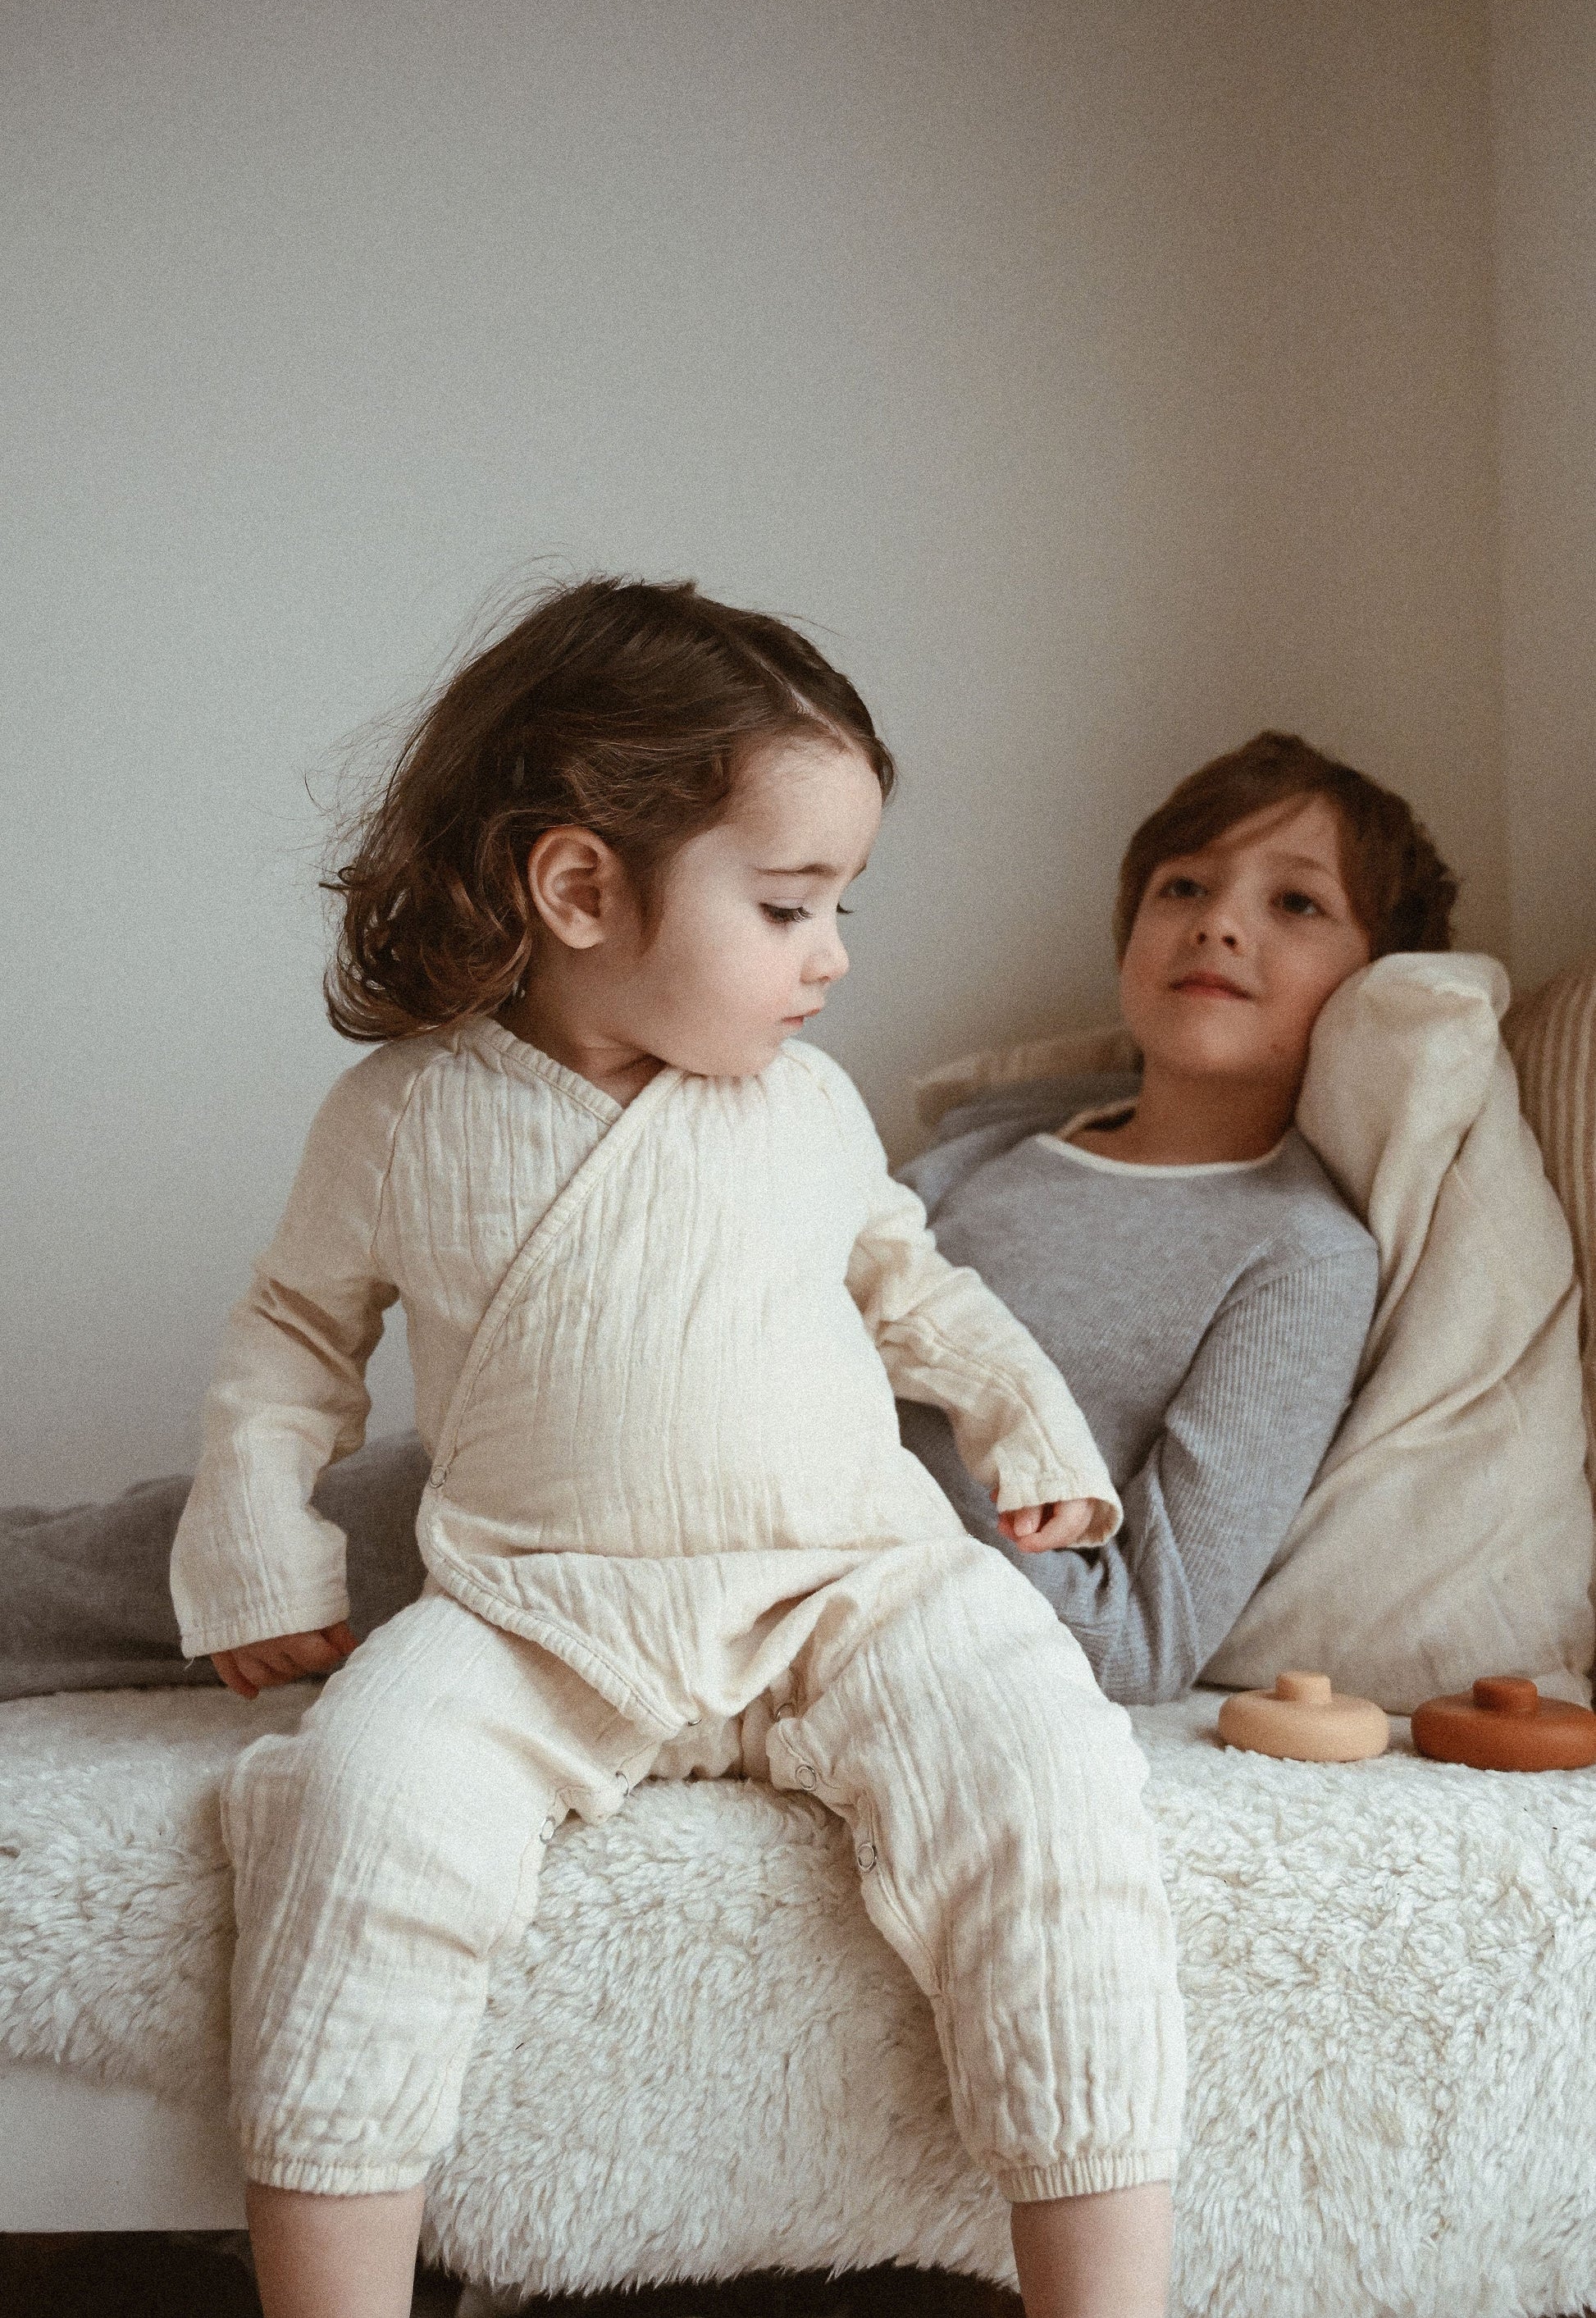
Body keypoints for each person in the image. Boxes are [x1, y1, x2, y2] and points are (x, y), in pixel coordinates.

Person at [170, 578, 1185, 2318]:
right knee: (358, 1802)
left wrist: (1022, 1421)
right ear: (578, 887)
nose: (834, 954)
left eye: (841, 904)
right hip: (533, 1611)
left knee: (1047, 1777)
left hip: (846, 1583)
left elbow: (911, 1285)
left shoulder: (805, 1109)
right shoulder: (405, 1115)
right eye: (788, 903)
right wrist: (259, 1551)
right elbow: (293, 1342)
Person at [899, 732, 1458, 1700]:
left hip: (895, 1607)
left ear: (1371, 977)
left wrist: (891, 1491)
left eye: (1295, 901)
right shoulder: (979, 1150)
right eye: (1183, 887)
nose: (1218, 925)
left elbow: (1141, 1642)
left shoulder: (1297, 1255)